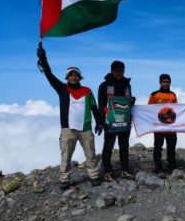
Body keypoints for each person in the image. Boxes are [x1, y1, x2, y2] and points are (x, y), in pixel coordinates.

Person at [37, 44, 103, 190]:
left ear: (80, 76)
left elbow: (94, 108)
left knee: (91, 155)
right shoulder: (62, 89)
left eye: (76, 74)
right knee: (66, 156)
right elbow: (49, 74)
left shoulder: (87, 91)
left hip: (85, 128)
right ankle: (64, 179)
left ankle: (93, 176)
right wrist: (43, 58)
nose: (74, 77)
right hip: (68, 129)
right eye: (71, 74)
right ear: (67, 77)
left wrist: (99, 122)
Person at [98, 60, 135, 181]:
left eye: (121, 70)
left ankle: (124, 169)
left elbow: (128, 102)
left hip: (124, 121)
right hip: (110, 122)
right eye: (116, 70)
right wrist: (101, 121)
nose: (119, 73)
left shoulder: (127, 85)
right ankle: (108, 171)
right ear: (112, 71)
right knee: (108, 147)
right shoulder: (104, 86)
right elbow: (101, 104)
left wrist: (132, 101)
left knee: (124, 146)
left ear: (123, 71)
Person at [148, 74, 178, 179]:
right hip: (159, 127)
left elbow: (176, 110)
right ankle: (158, 168)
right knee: (158, 147)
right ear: (160, 82)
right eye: (164, 82)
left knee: (171, 147)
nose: (166, 84)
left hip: (171, 126)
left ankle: (172, 166)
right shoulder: (154, 95)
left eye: (167, 82)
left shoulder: (173, 95)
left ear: (170, 83)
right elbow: (149, 110)